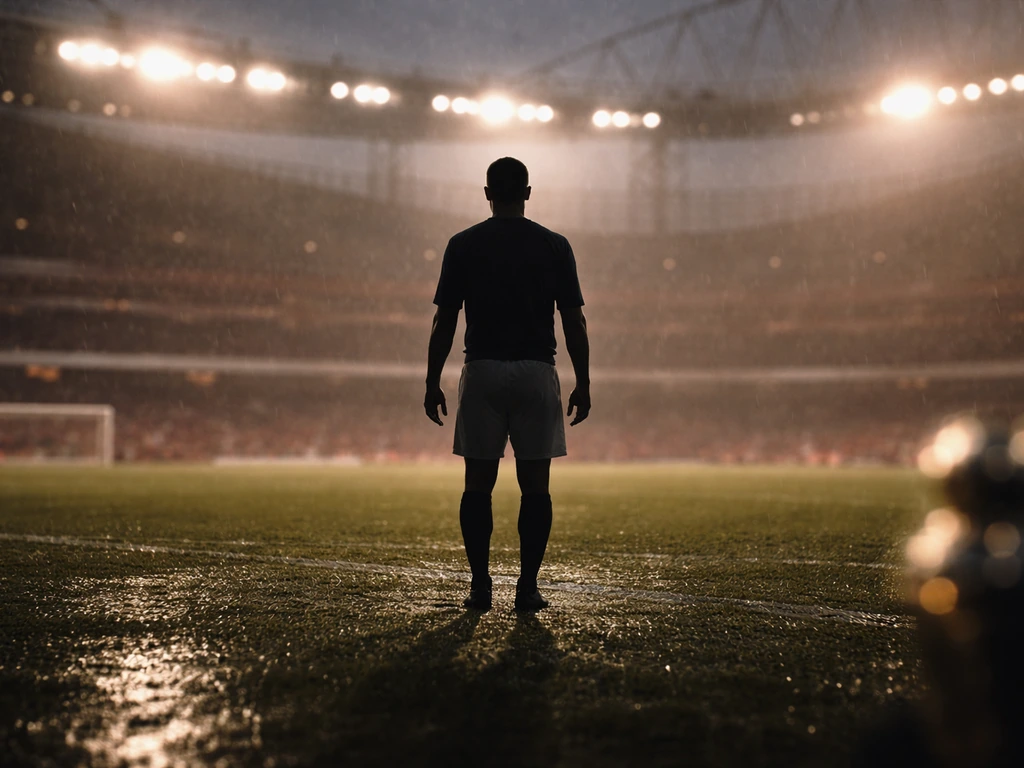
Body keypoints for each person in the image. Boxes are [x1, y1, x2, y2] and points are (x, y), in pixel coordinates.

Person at [424, 157, 591, 612]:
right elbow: (573, 320)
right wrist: (584, 381)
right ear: (529, 192)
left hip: (482, 369)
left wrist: (431, 380)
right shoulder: (554, 245)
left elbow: (445, 320)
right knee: (536, 485)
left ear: (486, 193)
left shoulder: (463, 244)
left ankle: (480, 587)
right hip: (537, 369)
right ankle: (527, 587)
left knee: (478, 483)